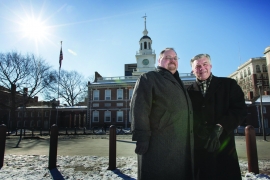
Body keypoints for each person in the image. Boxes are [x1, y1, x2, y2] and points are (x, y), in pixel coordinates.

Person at [131, 48, 194, 180]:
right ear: (159, 61)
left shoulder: (179, 82)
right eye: (168, 57)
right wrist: (142, 136)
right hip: (159, 144)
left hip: (180, 146)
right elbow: (140, 108)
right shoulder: (149, 78)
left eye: (175, 58)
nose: (172, 60)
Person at [187, 54, 247, 180]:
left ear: (211, 66)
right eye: (197, 66)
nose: (202, 68)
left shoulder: (229, 85)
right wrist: (197, 127)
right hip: (200, 151)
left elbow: (240, 110)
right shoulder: (188, 92)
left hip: (224, 148)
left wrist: (221, 126)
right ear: (193, 70)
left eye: (205, 64)